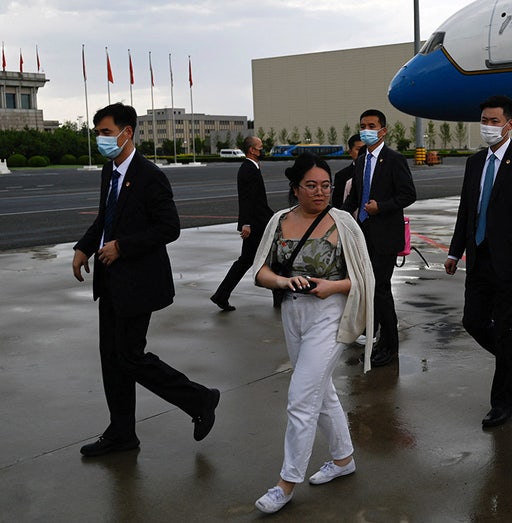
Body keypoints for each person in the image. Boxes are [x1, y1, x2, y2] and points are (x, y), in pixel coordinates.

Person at [71, 103, 220, 457]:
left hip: (138, 282)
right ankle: (122, 432)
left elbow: (169, 227)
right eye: (99, 133)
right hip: (110, 281)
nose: (101, 139)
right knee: (112, 357)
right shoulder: (110, 172)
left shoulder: (151, 175)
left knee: (130, 356)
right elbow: (105, 219)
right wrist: (84, 247)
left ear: (127, 132)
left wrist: (123, 247)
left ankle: (199, 398)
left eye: (106, 132)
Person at [251, 153, 375, 514]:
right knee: (322, 392)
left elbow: (366, 279)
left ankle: (286, 483)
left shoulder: (345, 223)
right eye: (312, 185)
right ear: (295, 188)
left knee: (302, 397)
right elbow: (260, 272)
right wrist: (284, 280)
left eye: (326, 186)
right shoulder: (279, 221)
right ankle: (343, 459)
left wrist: (332, 287)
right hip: (293, 312)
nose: (321, 192)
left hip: (330, 314)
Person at [445, 95, 512, 428]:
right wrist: (455, 251)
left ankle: (502, 403)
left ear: (509, 125)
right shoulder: (475, 163)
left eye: (494, 121)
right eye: (483, 120)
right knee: (473, 321)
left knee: (504, 329)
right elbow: (466, 211)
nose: (487, 127)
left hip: (511, 263)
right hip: (479, 257)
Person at [342, 109, 417, 367]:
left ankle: (390, 345)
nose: (366, 129)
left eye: (371, 125)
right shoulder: (362, 159)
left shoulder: (394, 159)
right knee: (371, 290)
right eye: (363, 125)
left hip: (385, 235)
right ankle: (380, 340)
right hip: (364, 235)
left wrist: (381, 207)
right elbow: (355, 197)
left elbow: (408, 194)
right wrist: (336, 215)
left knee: (381, 289)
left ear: (383, 130)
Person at [210, 136, 274, 311]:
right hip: (256, 225)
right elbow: (247, 199)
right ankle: (222, 295)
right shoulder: (248, 170)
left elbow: (258, 201)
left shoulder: (252, 168)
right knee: (266, 259)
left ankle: (221, 295)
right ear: (252, 150)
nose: (263, 150)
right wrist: (246, 224)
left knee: (248, 260)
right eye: (260, 147)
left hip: (259, 222)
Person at [331, 134, 364, 209]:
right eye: (358, 149)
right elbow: (337, 204)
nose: (363, 152)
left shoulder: (379, 172)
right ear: (350, 152)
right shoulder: (341, 176)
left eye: (366, 149)